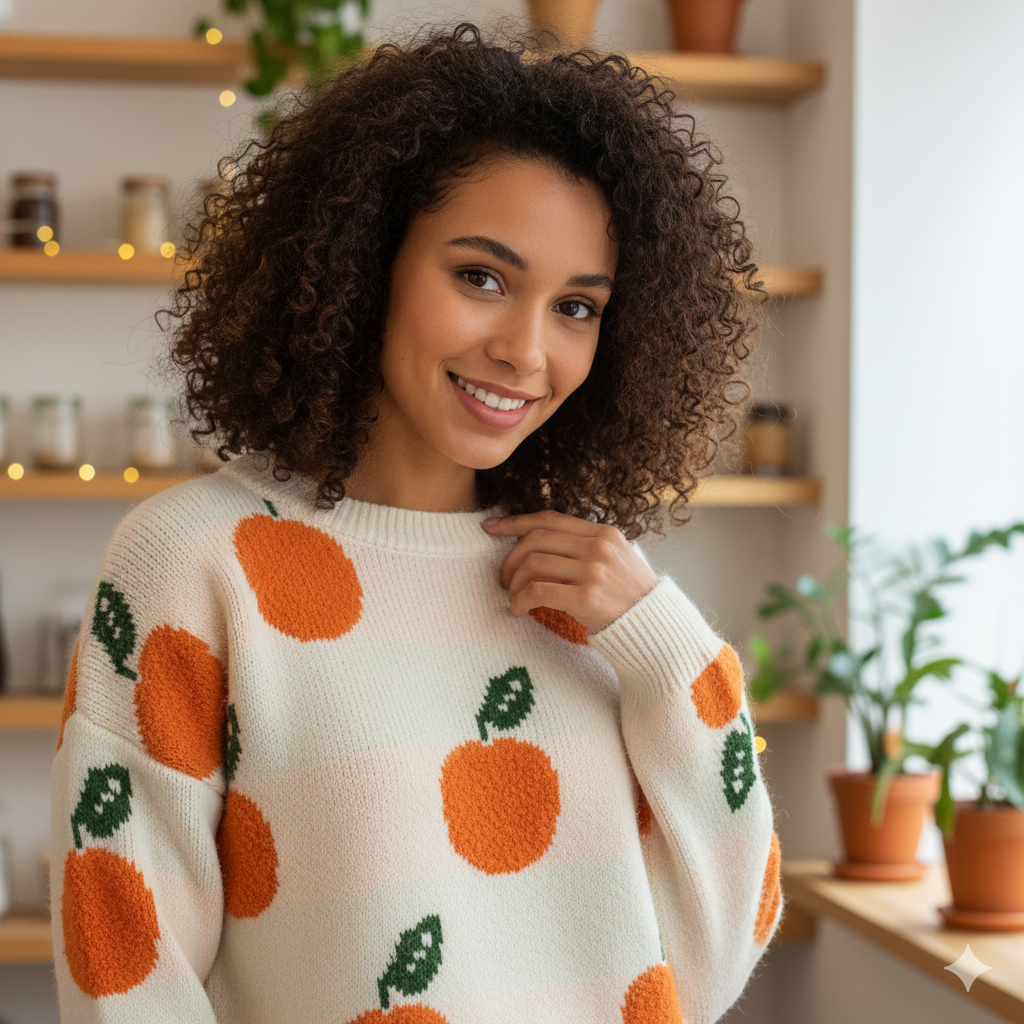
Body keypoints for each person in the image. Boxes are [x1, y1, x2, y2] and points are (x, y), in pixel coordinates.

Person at [50, 22, 782, 1024]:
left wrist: (663, 644)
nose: (526, 350)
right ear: (366, 262)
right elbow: (124, 957)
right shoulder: (195, 561)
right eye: (481, 276)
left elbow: (709, 955)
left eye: (576, 306)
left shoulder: (595, 591)